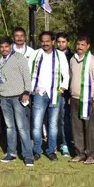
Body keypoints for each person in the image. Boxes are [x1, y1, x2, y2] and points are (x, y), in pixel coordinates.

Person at [28, 31, 70, 162]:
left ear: (52, 41)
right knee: (37, 124)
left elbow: (66, 73)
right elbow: (28, 72)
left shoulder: (60, 55)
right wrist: (31, 89)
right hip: (39, 93)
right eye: (43, 41)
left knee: (53, 125)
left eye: (48, 41)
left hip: (55, 93)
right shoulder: (35, 54)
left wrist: (63, 86)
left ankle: (51, 151)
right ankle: (37, 150)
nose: (45, 43)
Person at [0, 36, 33, 166]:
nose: (4, 49)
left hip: (18, 97)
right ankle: (11, 153)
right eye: (2, 47)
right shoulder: (0, 61)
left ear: (11, 46)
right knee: (10, 127)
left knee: (22, 127)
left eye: (6, 46)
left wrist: (27, 91)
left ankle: (28, 155)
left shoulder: (19, 58)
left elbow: (27, 76)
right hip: (4, 99)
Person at [68, 35, 94, 165]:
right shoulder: (73, 59)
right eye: (78, 44)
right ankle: (80, 153)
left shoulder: (93, 61)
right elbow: (72, 77)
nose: (79, 47)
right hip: (75, 98)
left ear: (88, 46)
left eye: (83, 45)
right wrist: (71, 95)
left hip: (89, 99)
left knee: (90, 128)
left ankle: (92, 154)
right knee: (76, 127)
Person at [55, 32, 73, 157]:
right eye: (59, 42)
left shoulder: (72, 56)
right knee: (52, 120)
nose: (61, 44)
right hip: (52, 92)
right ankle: (54, 143)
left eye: (63, 42)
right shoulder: (51, 55)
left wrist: (70, 94)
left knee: (64, 119)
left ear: (67, 42)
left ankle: (65, 144)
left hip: (65, 93)